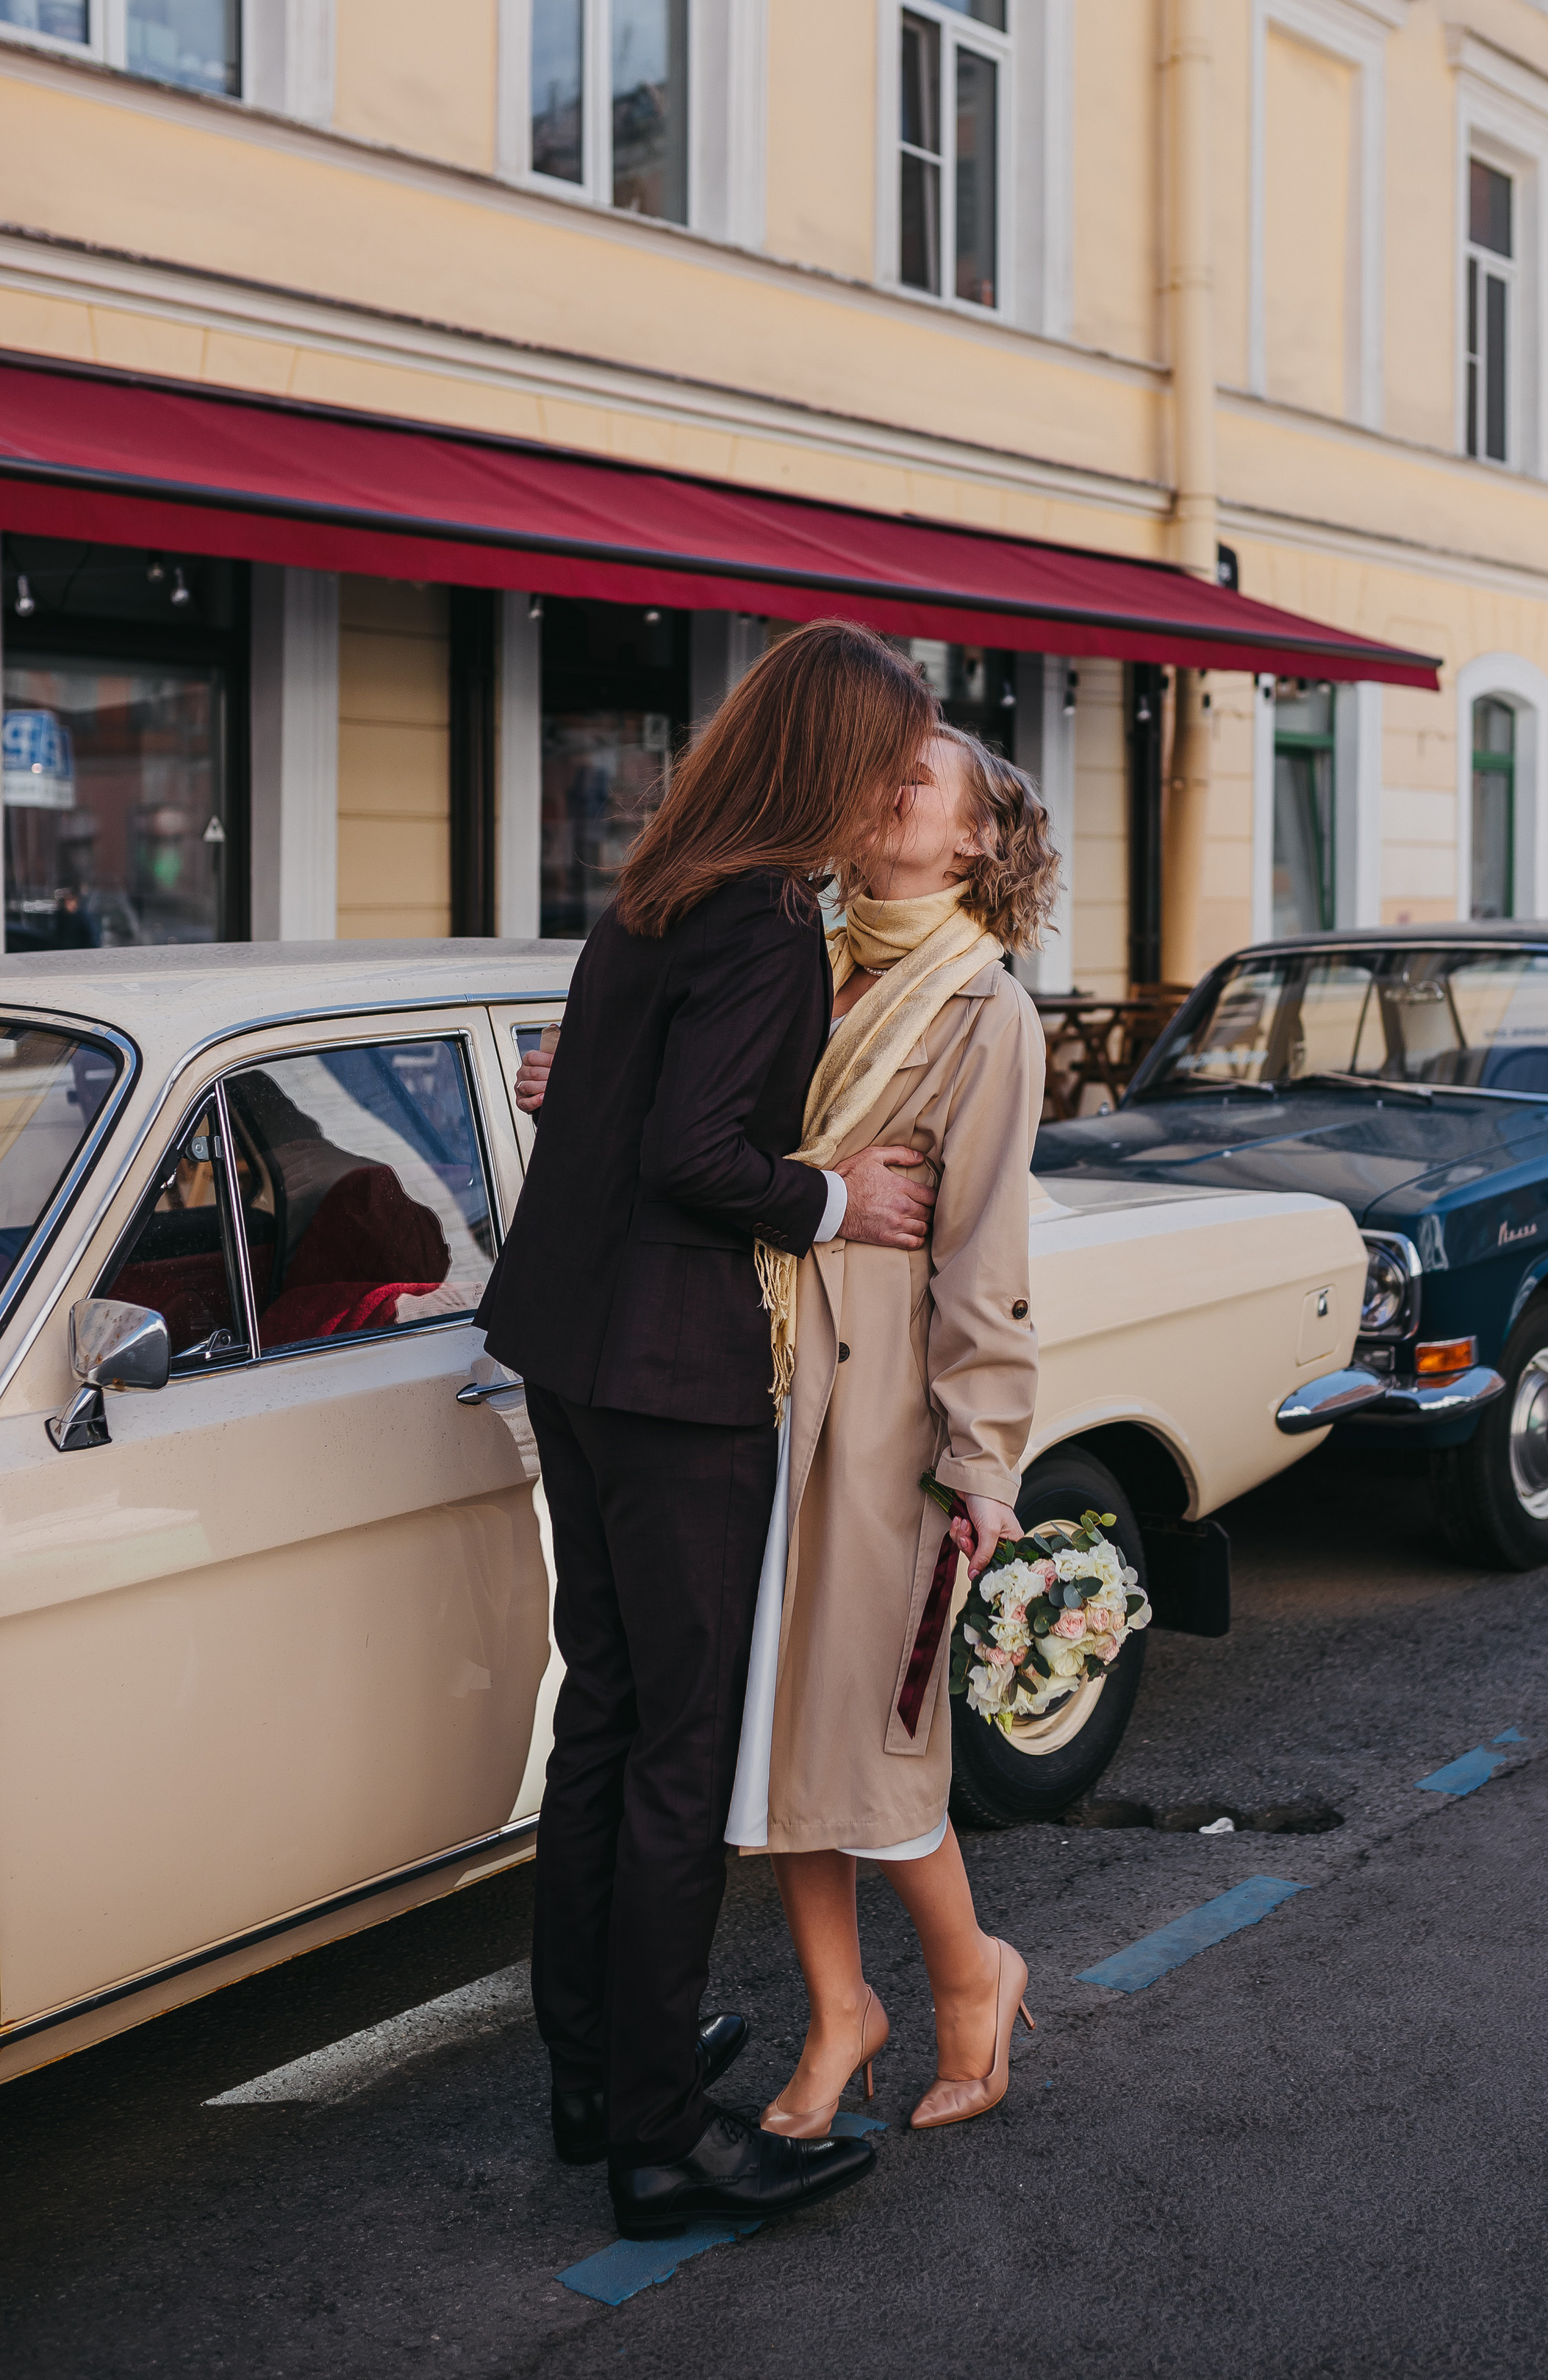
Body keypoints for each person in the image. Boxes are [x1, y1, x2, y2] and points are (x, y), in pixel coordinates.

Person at [516, 722, 1058, 2137]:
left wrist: (982, 1459)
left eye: (917, 776)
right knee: (776, 1739)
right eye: (879, 762)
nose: (885, 783)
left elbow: (983, 1258)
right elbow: (715, 1133)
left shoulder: (986, 1012)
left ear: (978, 839)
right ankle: (838, 2014)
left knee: (875, 1740)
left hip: (875, 1420)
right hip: (751, 1390)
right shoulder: (804, 952)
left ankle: (971, 1979)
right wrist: (600, 1086)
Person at [478, 619, 939, 2244]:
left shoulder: (659, 888)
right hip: (675, 1377)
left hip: (568, 1345)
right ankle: (663, 2144)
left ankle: (600, 2075)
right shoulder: (766, 920)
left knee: (604, 1716)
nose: (895, 791)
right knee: (677, 1749)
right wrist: (837, 1198)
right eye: (887, 762)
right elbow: (694, 1153)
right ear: (832, 761)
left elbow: (616, 1117)